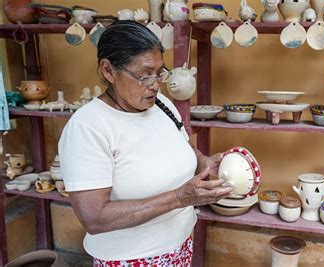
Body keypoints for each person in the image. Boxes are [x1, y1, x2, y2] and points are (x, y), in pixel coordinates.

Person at [58, 21, 233, 266]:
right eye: (144, 74)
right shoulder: (88, 127)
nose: (154, 83)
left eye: (160, 72)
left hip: (180, 244)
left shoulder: (161, 104)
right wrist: (180, 198)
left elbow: (179, 145)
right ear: (108, 70)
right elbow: (94, 218)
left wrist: (203, 162)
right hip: (131, 259)